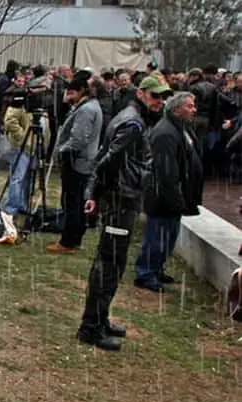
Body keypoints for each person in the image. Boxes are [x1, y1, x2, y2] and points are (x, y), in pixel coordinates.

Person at [77, 76, 171, 351]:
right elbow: (108, 159)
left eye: (163, 97)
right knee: (108, 264)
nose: (160, 102)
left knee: (114, 264)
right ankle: (90, 326)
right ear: (141, 94)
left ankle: (100, 318)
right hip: (121, 200)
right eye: (155, 96)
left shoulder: (132, 119)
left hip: (124, 197)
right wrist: (95, 192)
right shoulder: (132, 123)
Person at [134, 91, 203, 292]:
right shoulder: (166, 132)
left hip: (174, 195)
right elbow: (166, 172)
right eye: (189, 106)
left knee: (167, 236)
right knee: (157, 235)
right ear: (176, 109)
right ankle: (146, 273)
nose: (194, 110)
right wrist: (174, 197)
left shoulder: (181, 128)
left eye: (194, 105)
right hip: (163, 196)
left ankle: (155, 269)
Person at [49, 77, 103, 253]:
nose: (68, 96)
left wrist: (62, 150)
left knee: (73, 202)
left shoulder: (86, 110)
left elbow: (78, 139)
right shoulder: (91, 107)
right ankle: (74, 238)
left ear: (81, 91)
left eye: (71, 92)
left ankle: (68, 241)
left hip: (77, 162)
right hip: (82, 161)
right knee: (76, 202)